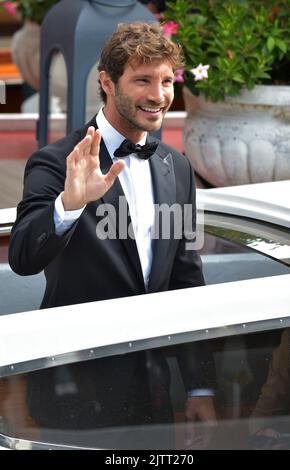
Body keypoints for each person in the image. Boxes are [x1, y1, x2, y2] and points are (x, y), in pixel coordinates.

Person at [9, 22, 216, 447]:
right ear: (106, 82)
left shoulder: (176, 166)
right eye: (142, 80)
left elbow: (186, 280)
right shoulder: (56, 162)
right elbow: (23, 257)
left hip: (155, 392)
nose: (158, 96)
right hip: (75, 391)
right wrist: (69, 204)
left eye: (165, 81)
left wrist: (199, 386)